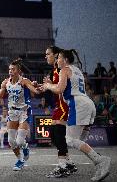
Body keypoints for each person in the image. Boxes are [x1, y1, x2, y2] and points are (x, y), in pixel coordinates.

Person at [41, 49, 111, 181]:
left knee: (70, 140)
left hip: (78, 104)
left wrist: (48, 85)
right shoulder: (77, 70)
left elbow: (59, 89)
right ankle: (90, 162)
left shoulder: (64, 70)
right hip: (88, 104)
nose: (58, 60)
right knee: (79, 141)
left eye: (59, 58)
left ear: (65, 59)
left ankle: (101, 161)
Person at [0, 59, 40, 171]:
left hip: (24, 111)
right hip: (12, 112)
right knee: (11, 141)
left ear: (18, 71)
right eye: (9, 69)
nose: (10, 71)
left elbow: (35, 92)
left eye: (13, 69)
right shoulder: (5, 82)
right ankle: (20, 160)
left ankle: (25, 146)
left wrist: (37, 86)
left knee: (19, 141)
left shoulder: (24, 81)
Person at [43, 46, 77, 178]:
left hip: (65, 105)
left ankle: (63, 166)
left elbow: (60, 88)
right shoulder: (55, 70)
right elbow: (55, 86)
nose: (46, 56)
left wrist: (49, 85)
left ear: (57, 55)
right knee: (54, 134)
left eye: (48, 54)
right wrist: (47, 85)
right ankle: (68, 163)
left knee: (58, 134)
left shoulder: (61, 68)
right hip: (60, 105)